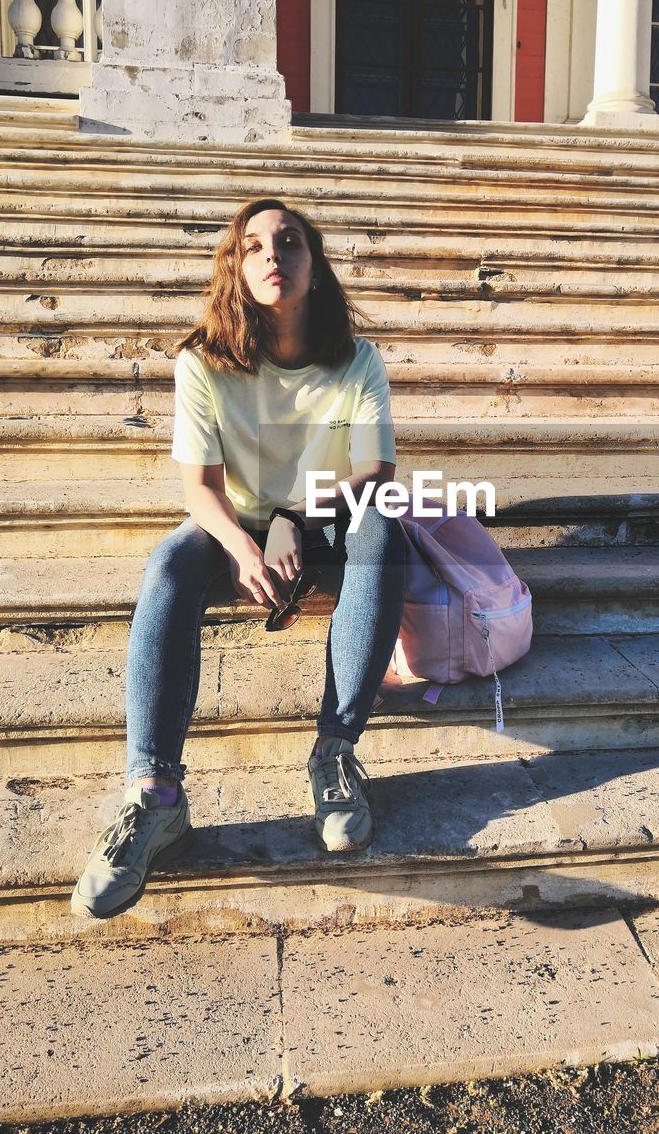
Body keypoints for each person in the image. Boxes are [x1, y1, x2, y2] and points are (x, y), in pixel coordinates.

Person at [71, 197, 406, 919]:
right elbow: (197, 488)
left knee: (384, 528)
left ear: (314, 268)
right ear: (237, 270)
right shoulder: (203, 362)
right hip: (236, 521)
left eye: (289, 242)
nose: (272, 255)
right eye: (253, 246)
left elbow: (375, 470)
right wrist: (241, 544)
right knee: (168, 564)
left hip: (325, 520)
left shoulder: (356, 362)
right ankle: (156, 796)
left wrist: (294, 517)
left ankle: (335, 753)